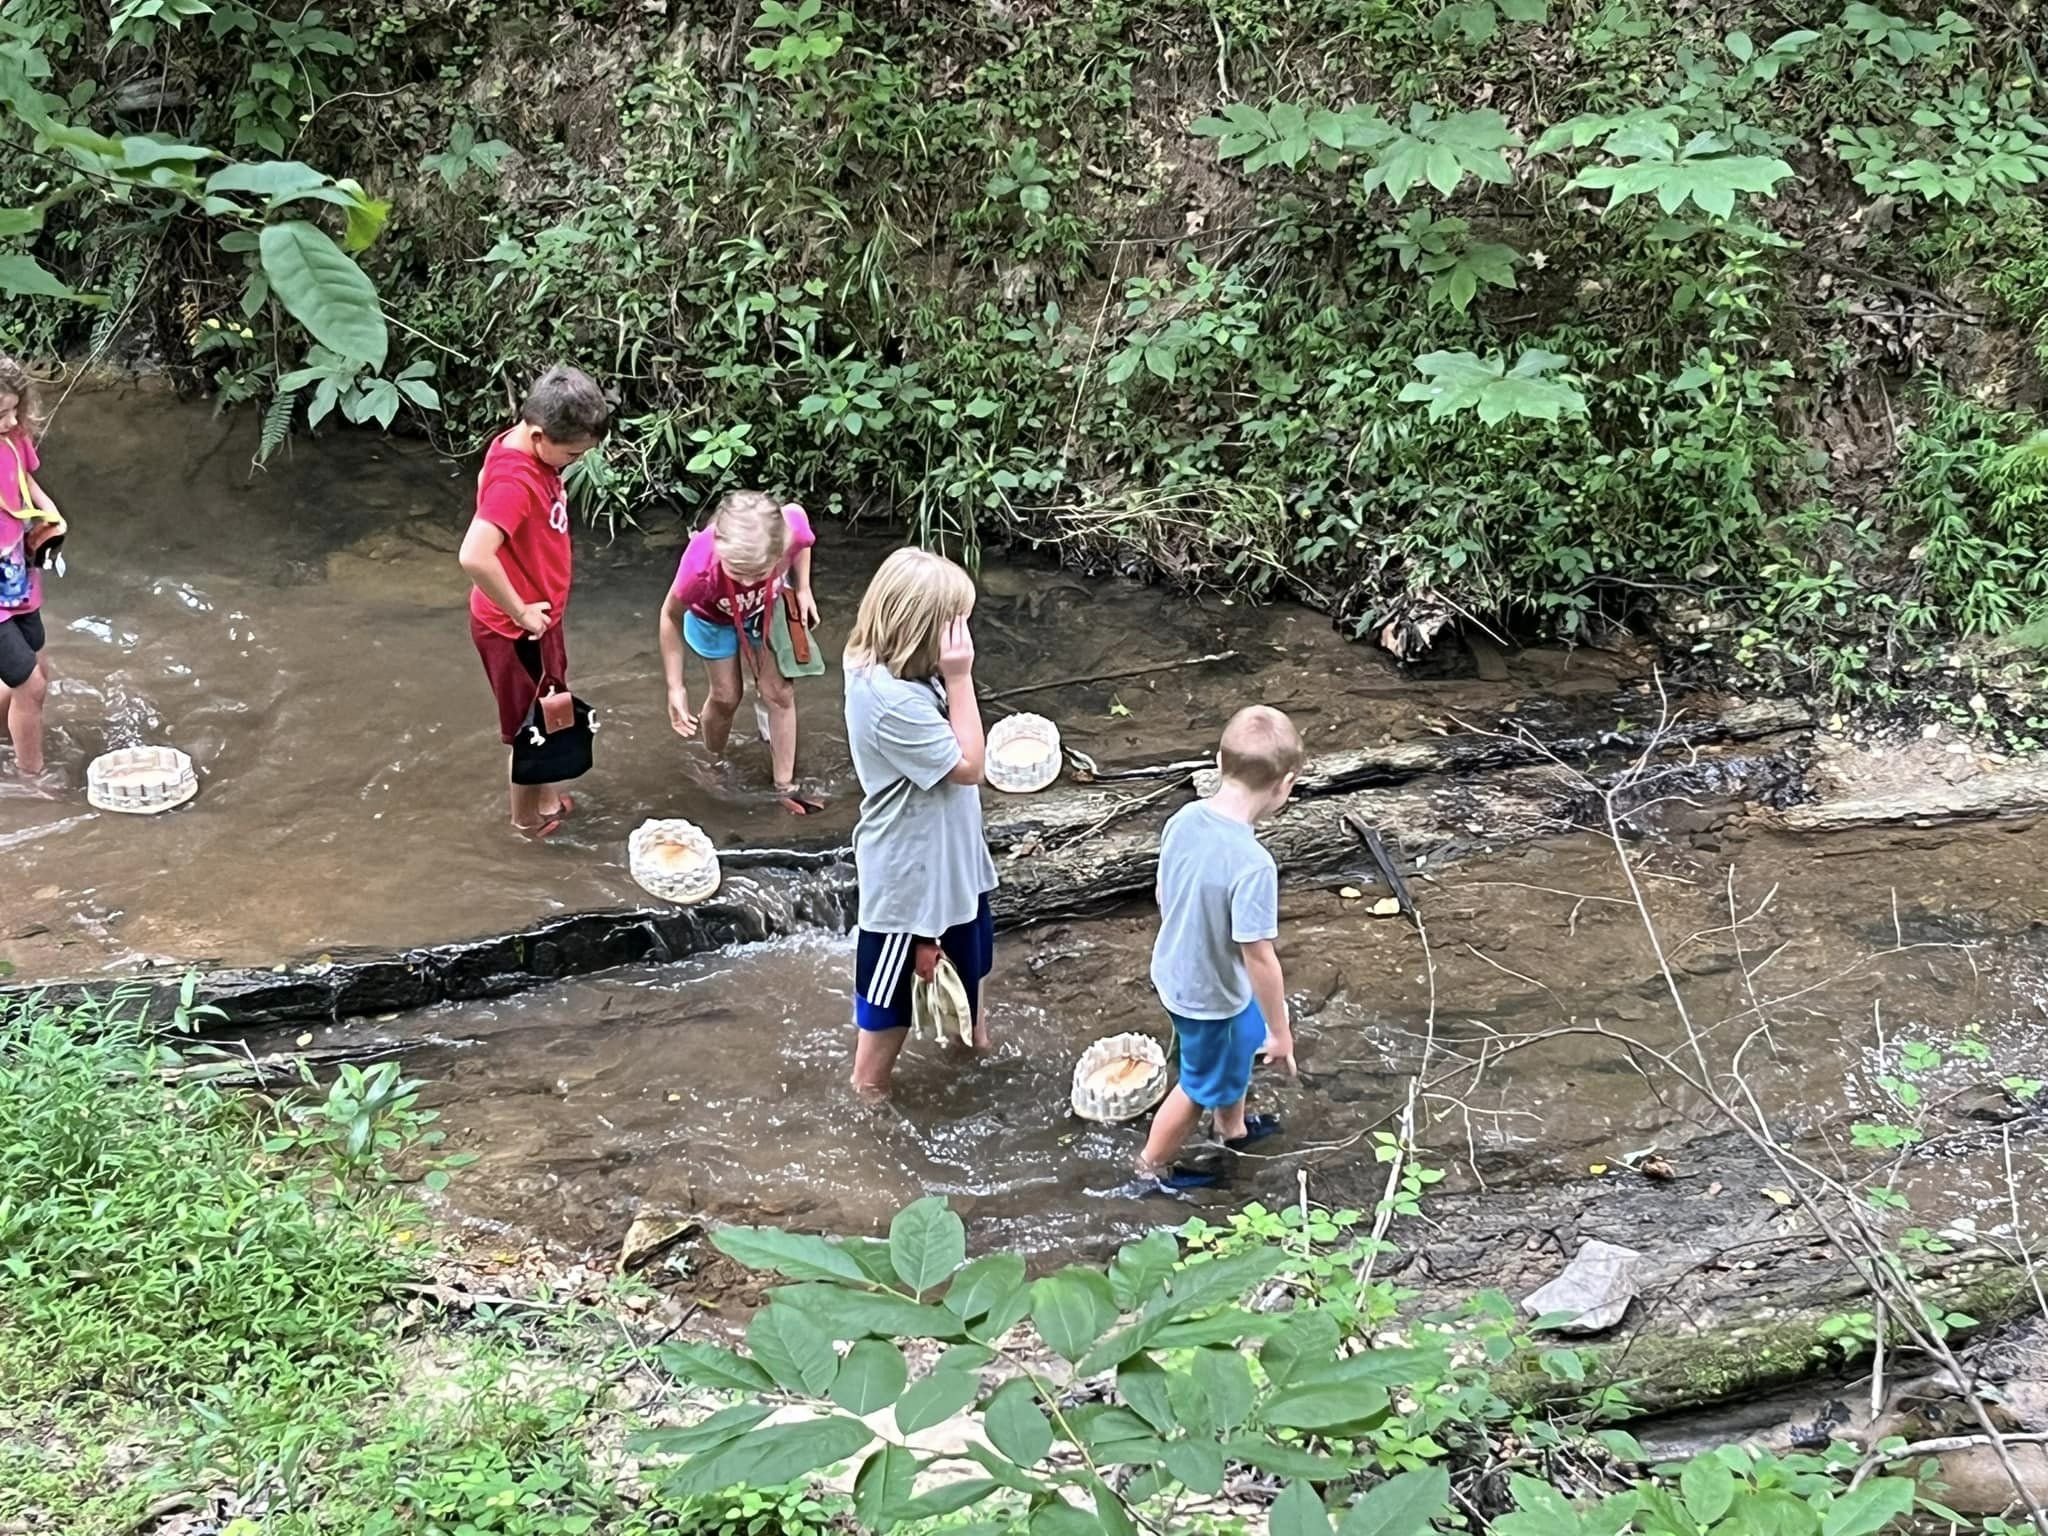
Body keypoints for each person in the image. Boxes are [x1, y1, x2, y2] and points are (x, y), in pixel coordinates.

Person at [841, 547, 998, 1100]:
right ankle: (870, 1109)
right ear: (922, 632)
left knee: (968, 995)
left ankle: (975, 1074)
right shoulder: (888, 701)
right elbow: (971, 766)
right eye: (955, 627)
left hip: (954, 868)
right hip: (911, 887)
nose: (963, 639)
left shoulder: (889, 664)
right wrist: (959, 679)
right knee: (886, 1017)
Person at [1136, 705, 1304, 1190]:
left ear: (1217, 761)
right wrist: (1281, 1031)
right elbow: (1259, 957)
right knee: (1197, 1086)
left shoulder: (1185, 818)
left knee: (1236, 1042)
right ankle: (1150, 1170)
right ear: (1284, 784)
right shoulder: (1253, 864)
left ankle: (1232, 1127)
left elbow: (1164, 892)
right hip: (1210, 995)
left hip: (1175, 970)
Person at [457, 364, 610, 839]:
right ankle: (524, 824)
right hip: (514, 629)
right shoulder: (514, 482)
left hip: (541, 621)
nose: (575, 462)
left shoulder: (527, 446)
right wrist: (520, 611)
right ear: (540, 435)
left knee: (551, 707)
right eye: (572, 454)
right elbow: (474, 555)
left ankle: (546, 795)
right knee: (530, 732)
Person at [658, 490, 823, 815]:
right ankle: (715, 761)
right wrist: (675, 687)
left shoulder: (791, 529)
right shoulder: (699, 569)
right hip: (713, 619)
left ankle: (784, 786)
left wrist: (802, 588)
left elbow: (803, 533)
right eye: (739, 572)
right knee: (726, 696)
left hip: (765, 609)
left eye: (758, 573)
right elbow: (670, 616)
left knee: (779, 692)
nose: (748, 579)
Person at [0, 359, 65, 784]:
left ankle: (8, 739)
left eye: (13, 411)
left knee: (38, 665)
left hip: (17, 577)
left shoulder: (14, 438)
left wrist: (51, 512)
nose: (8, 422)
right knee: (31, 686)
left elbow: (25, 478)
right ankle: (31, 777)